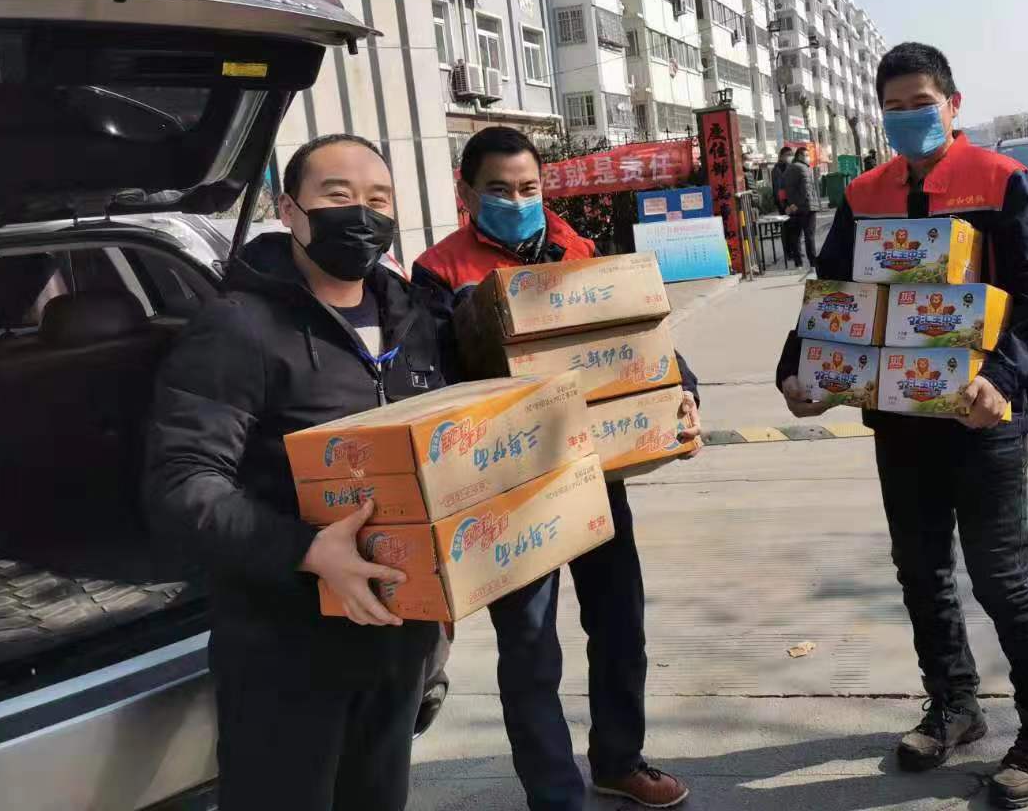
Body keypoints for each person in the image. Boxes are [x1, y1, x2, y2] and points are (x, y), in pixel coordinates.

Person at [775, 42, 1028, 809]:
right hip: (900, 415)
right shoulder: (866, 193)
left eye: (922, 104)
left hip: (981, 418)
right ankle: (953, 704)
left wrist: (1003, 379)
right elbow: (833, 293)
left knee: (1001, 576)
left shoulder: (999, 181)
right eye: (895, 108)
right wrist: (799, 369)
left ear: (953, 105)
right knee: (920, 569)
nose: (909, 118)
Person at [142, 134, 451, 811]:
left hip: (399, 643)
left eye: (378, 199)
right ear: (290, 210)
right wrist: (309, 550)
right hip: (285, 651)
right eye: (337, 196)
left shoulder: (414, 321)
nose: (361, 214)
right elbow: (182, 485)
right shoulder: (239, 328)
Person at [413, 125, 701, 811]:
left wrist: (682, 390)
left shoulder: (580, 251)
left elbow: (636, 334)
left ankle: (619, 761)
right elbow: (433, 380)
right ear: (465, 193)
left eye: (528, 188)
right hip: (512, 488)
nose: (516, 201)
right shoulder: (438, 272)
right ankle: (555, 796)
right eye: (498, 189)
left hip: (595, 470)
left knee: (620, 625)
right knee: (531, 647)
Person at [781, 146, 819, 269]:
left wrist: (788, 206)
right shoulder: (804, 168)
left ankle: (798, 264)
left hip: (793, 209)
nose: (808, 158)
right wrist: (797, 204)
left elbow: (782, 190)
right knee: (809, 236)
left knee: (796, 236)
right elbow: (806, 190)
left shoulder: (787, 170)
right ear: (800, 156)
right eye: (806, 155)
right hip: (807, 207)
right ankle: (813, 263)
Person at [770, 145, 794, 213]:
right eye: (788, 154)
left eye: (792, 155)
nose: (791, 157)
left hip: (792, 202)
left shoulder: (791, 167)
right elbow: (779, 187)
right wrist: (784, 206)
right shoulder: (778, 169)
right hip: (784, 203)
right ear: (781, 156)